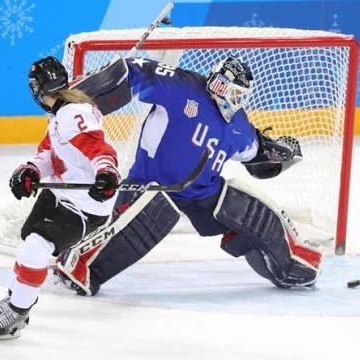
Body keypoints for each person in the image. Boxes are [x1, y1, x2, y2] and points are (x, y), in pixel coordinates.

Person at [54, 54, 324, 297]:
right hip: (150, 185)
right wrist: (80, 96)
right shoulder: (181, 87)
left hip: (203, 194)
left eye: (239, 95)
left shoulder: (239, 125)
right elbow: (131, 70)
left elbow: (256, 157)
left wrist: (278, 154)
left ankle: (292, 264)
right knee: (140, 221)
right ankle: (77, 265)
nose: (231, 99)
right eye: (227, 89)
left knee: (250, 212)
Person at [0, 56, 121, 340]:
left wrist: (107, 173)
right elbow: (48, 153)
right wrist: (31, 170)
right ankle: (16, 297)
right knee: (28, 242)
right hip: (61, 193)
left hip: (85, 206)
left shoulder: (73, 114)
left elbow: (100, 149)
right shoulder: (60, 113)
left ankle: (18, 312)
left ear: (36, 89)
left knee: (36, 247)